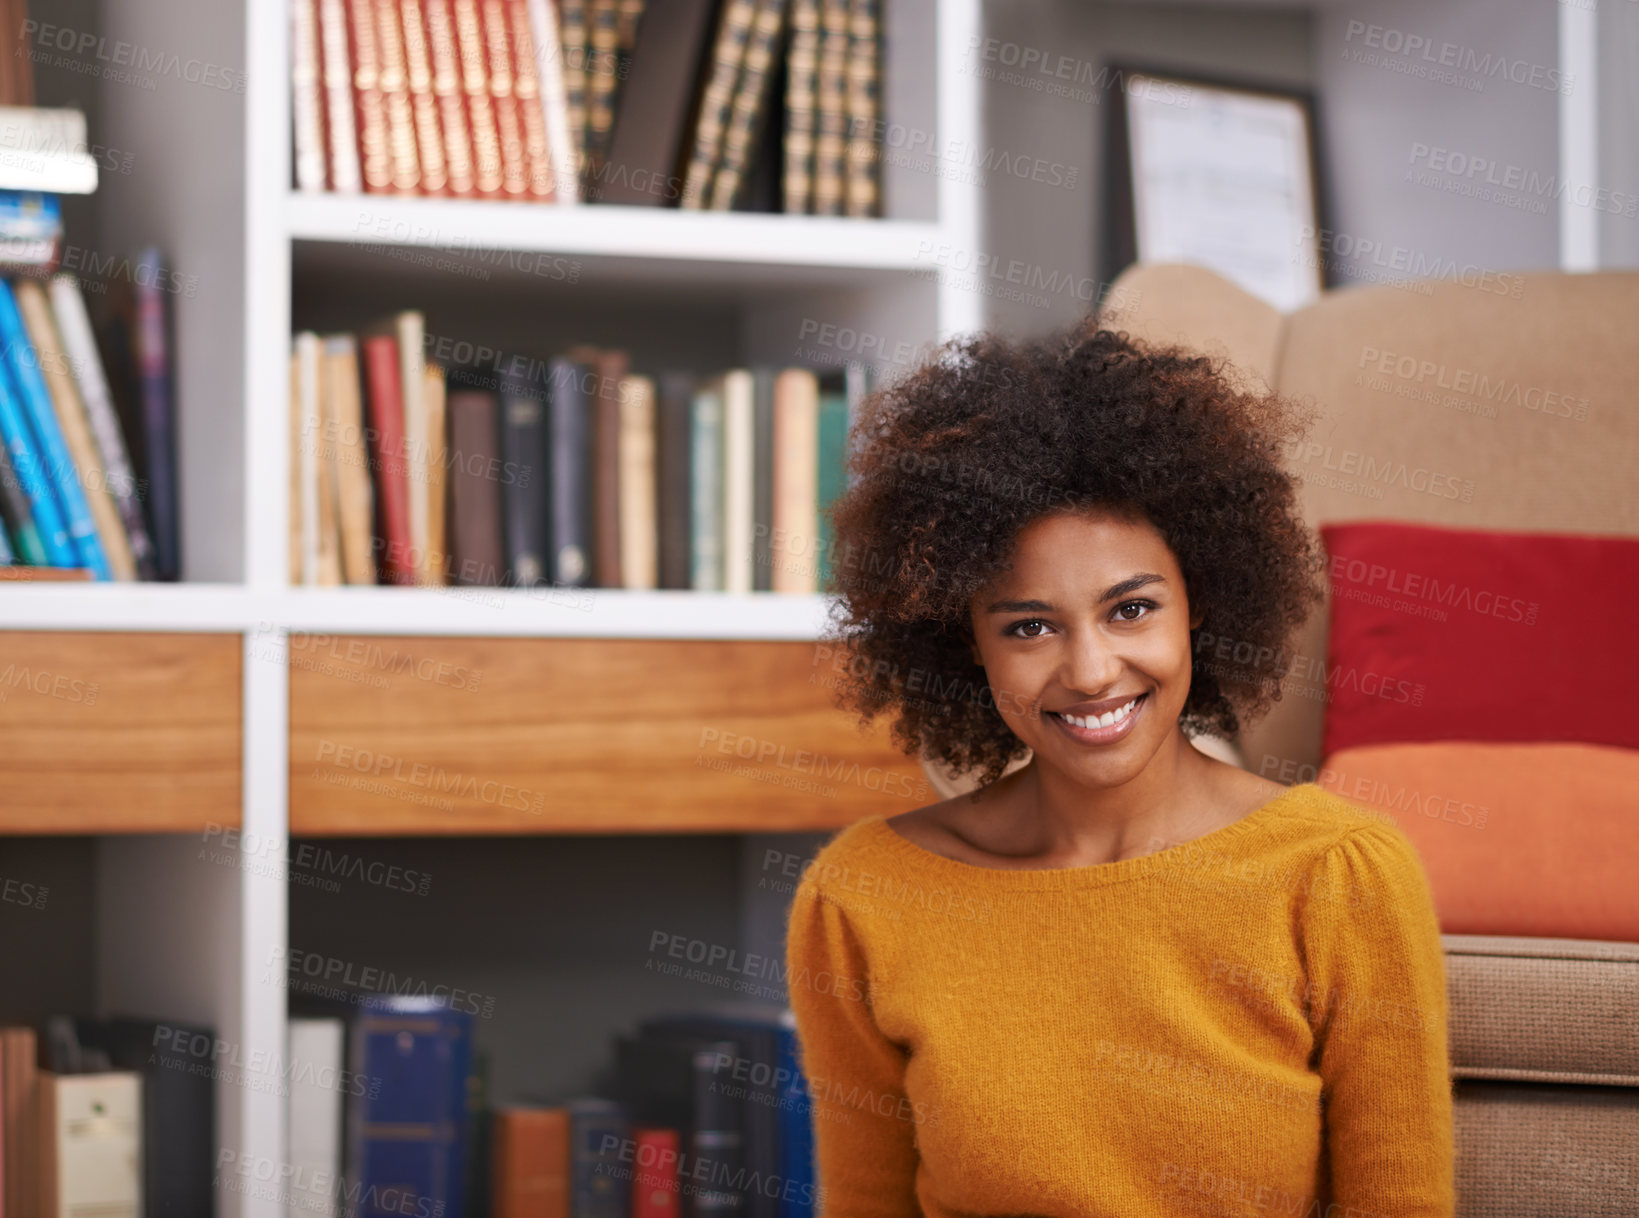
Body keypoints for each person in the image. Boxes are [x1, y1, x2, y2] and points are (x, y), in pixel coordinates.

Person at [785, 321, 1455, 1217]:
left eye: (1130, 609)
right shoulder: (865, 896)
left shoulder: (1337, 873)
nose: (1091, 671)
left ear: (1200, 603)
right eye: (1028, 626)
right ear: (966, 644)